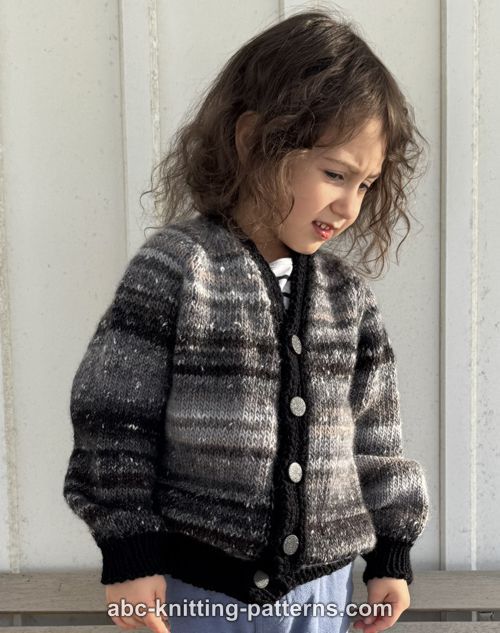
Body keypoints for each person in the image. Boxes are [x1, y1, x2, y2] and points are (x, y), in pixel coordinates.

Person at [62, 7, 430, 633]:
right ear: (254, 139)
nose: (349, 205)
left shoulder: (348, 298)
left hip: (322, 594)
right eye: (335, 174)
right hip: (197, 590)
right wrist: (128, 554)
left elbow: (376, 439)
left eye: (367, 184)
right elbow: (114, 422)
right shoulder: (178, 269)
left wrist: (390, 554)